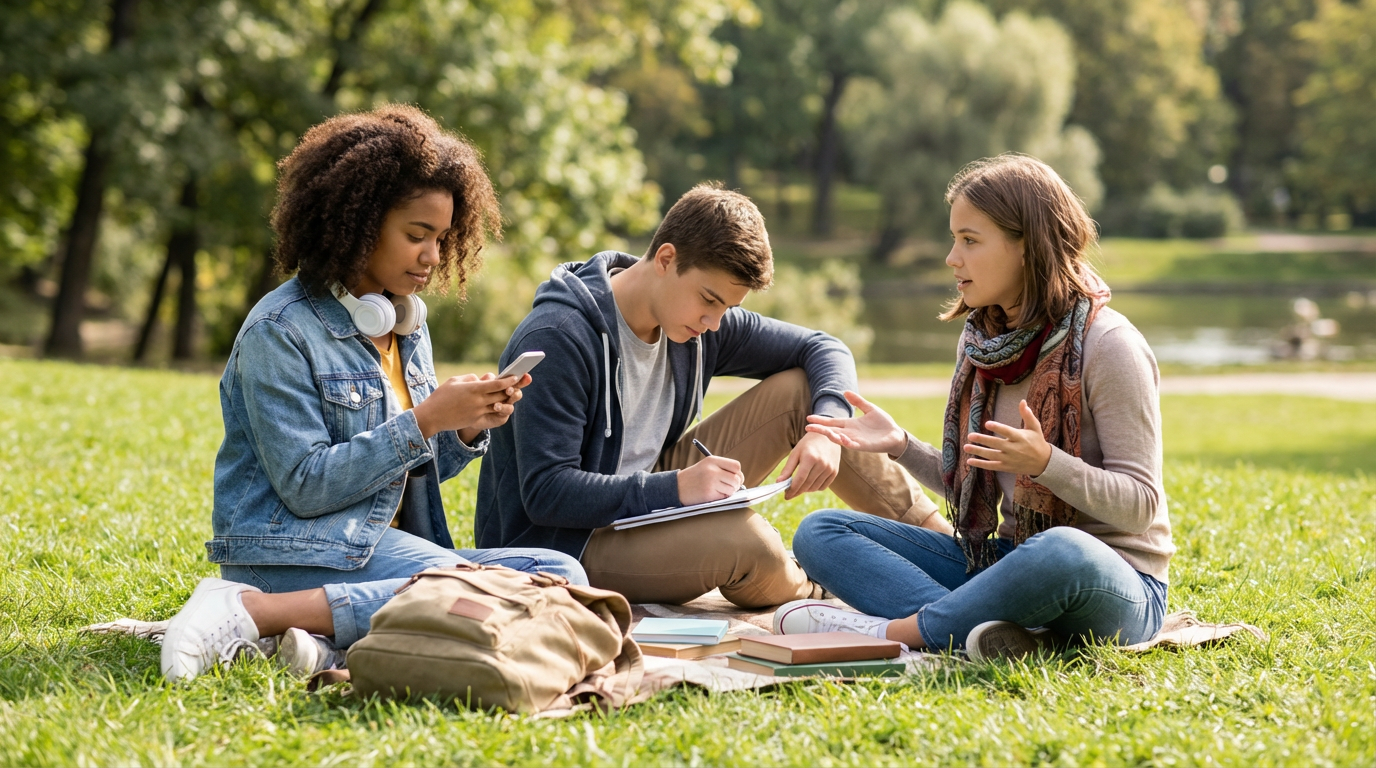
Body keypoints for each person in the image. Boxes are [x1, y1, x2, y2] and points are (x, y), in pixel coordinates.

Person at [159, 105, 586, 683]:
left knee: (561, 572)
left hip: (379, 551)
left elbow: (416, 469)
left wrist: (464, 427)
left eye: (441, 238)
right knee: (467, 590)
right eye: (417, 236)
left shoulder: (407, 322)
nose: (433, 257)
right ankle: (254, 610)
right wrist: (424, 421)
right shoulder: (278, 332)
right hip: (293, 553)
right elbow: (306, 486)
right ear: (358, 222)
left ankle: (323, 644)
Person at [774, 155, 1174, 661]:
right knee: (822, 532)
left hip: (1116, 582)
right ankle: (986, 632)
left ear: (1026, 245)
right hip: (1005, 563)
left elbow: (1140, 506)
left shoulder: (1110, 345)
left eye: (969, 240)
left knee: (1061, 549)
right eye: (953, 239)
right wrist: (900, 445)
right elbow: (976, 481)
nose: (951, 258)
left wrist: (1046, 465)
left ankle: (899, 633)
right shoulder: (982, 346)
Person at [475, 184, 946, 609]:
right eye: (709, 300)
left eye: (729, 307)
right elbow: (546, 494)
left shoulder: (698, 323)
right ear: (665, 259)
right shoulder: (561, 336)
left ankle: (951, 553)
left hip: (647, 491)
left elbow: (823, 347)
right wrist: (677, 488)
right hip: (565, 543)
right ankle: (819, 590)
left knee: (807, 395)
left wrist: (826, 427)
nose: (715, 322)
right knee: (751, 545)